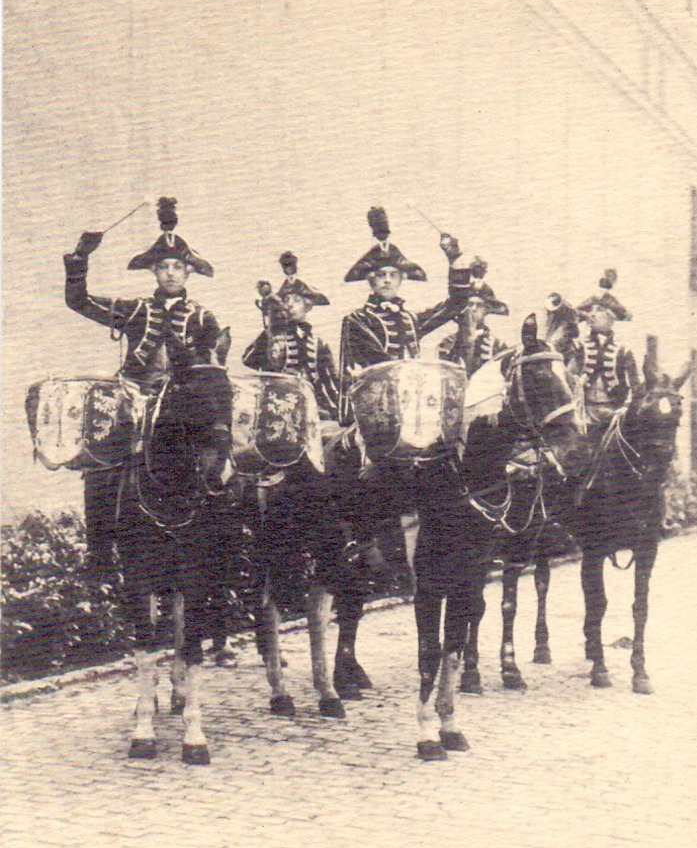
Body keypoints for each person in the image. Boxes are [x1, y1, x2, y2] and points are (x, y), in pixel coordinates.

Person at [63, 197, 229, 576]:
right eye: (163, 267)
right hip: (136, 394)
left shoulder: (204, 316)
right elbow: (80, 301)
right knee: (103, 460)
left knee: (219, 454)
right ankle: (100, 552)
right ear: (154, 271)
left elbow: (212, 369)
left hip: (186, 399)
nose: (170, 273)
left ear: (188, 272)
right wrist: (80, 258)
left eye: (177, 267)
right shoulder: (136, 310)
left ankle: (225, 536)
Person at [338, 207, 468, 425]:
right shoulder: (357, 320)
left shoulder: (410, 319)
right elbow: (378, 361)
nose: (387, 280)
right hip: (376, 408)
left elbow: (455, 305)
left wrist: (455, 259)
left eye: (393, 275)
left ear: (401, 279)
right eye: (381, 275)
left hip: (411, 404)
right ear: (371, 280)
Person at [242, 252, 339, 421]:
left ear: (308, 306)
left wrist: (335, 410)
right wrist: (270, 331)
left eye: (297, 300)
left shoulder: (318, 343)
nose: (290, 305)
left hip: (312, 409)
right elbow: (249, 360)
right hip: (277, 409)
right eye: (286, 300)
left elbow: (330, 382)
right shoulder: (272, 335)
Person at [571, 269, 639, 440]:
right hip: (584, 415)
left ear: (611, 317)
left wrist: (625, 408)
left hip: (614, 415)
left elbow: (634, 386)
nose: (591, 315)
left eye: (599, 310)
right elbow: (568, 378)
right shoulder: (580, 347)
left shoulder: (623, 351)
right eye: (591, 311)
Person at [438, 256, 509, 373]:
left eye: (479, 305)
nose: (474, 309)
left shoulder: (498, 346)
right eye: (470, 304)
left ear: (487, 309)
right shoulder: (447, 344)